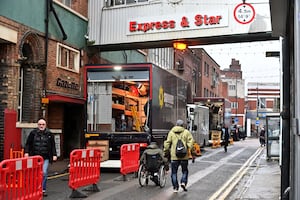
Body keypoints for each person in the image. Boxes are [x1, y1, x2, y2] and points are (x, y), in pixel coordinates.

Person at [24, 118, 57, 197]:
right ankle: (34, 189)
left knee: (44, 172)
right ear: (37, 125)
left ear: (45, 125)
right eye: (40, 124)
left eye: (43, 124)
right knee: (34, 173)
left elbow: (53, 146)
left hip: (45, 157)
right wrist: (26, 152)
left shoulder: (49, 134)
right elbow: (28, 144)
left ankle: (42, 189)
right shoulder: (33, 133)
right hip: (34, 157)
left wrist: (54, 154)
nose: (41, 126)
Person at [163, 119, 194, 193]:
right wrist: (190, 150)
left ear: (176, 125)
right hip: (184, 156)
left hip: (174, 156)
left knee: (174, 172)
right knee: (185, 171)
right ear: (182, 125)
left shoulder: (171, 132)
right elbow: (191, 143)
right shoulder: (186, 132)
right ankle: (183, 182)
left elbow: (167, 144)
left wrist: (165, 152)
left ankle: (175, 187)